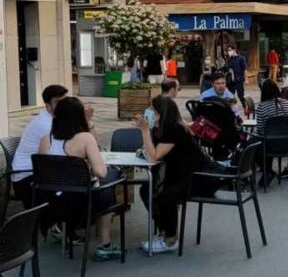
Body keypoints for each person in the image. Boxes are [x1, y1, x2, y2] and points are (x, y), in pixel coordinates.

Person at [38, 97, 123, 261]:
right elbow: (101, 172)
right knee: (110, 180)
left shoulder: (45, 139)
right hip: (81, 203)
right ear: (79, 117)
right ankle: (104, 245)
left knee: (106, 182)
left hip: (52, 203)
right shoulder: (84, 138)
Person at [135, 95, 219, 254]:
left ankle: (170, 239)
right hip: (181, 174)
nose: (148, 112)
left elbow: (154, 156)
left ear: (161, 113)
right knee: (147, 189)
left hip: (199, 176)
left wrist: (145, 131)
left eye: (152, 109)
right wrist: (148, 132)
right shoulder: (161, 128)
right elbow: (151, 151)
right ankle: (164, 231)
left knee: (166, 195)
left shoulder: (174, 129)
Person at [11, 84, 69, 208]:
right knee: (75, 188)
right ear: (47, 106)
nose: (63, 105)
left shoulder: (55, 118)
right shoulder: (46, 124)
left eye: (64, 101)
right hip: (27, 179)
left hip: (38, 172)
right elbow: (60, 155)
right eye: (57, 102)